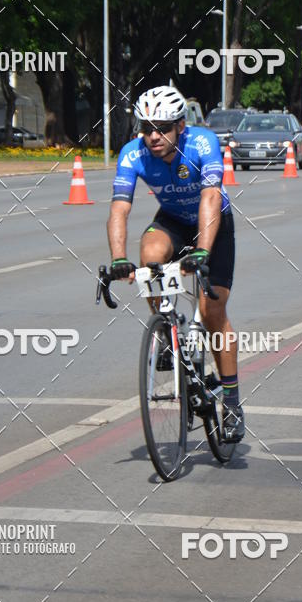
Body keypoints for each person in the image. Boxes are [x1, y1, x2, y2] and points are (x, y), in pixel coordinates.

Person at [106, 85, 243, 442]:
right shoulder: (132, 153)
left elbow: (211, 195)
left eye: (162, 127)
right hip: (172, 219)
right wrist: (118, 259)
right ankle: (166, 333)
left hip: (213, 222)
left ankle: (231, 401)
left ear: (180, 126)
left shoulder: (202, 143)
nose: (153, 136)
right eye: (146, 127)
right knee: (149, 257)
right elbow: (120, 208)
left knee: (212, 310)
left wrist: (202, 251)